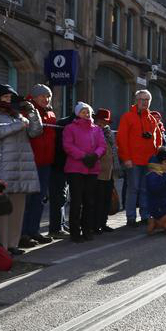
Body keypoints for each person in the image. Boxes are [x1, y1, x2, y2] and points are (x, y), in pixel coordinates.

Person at [0, 84, 43, 255]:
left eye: (10, 97)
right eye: (6, 97)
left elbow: (36, 131)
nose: (9, 100)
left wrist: (32, 112)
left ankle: (13, 244)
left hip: (22, 168)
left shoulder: (18, 116)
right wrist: (18, 126)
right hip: (4, 167)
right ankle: (1, 245)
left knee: (17, 208)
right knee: (2, 209)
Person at [117, 90, 163, 227]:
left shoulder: (152, 118)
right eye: (142, 99)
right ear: (136, 100)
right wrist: (126, 158)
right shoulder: (127, 117)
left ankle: (144, 216)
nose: (145, 102)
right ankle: (131, 218)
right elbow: (121, 139)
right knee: (133, 189)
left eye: (147, 99)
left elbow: (158, 138)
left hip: (149, 160)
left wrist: (157, 156)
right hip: (134, 160)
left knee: (145, 189)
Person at [62, 103, 106, 243]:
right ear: (77, 113)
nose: (86, 114)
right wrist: (83, 156)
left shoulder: (97, 129)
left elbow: (102, 145)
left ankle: (87, 229)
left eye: (88, 112)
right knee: (76, 201)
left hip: (92, 168)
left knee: (89, 200)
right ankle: (75, 232)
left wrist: (95, 155)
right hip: (76, 168)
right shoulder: (70, 128)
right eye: (83, 112)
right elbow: (68, 146)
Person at [19, 84, 56, 248]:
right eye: (42, 96)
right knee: (27, 200)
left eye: (48, 96)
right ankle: (23, 234)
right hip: (30, 161)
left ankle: (34, 230)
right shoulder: (25, 111)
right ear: (33, 97)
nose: (46, 99)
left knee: (39, 199)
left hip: (45, 162)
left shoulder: (50, 112)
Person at [48, 109, 76, 238]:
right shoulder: (66, 124)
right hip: (59, 165)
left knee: (63, 197)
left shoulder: (65, 122)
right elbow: (63, 147)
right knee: (58, 197)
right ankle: (56, 228)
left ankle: (60, 224)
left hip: (63, 164)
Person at [93, 109, 120, 233]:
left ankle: (103, 223)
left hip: (109, 171)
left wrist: (116, 167)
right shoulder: (93, 131)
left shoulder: (108, 132)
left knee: (106, 199)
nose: (102, 124)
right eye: (100, 122)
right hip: (97, 171)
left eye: (105, 122)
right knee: (97, 199)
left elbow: (114, 151)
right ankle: (95, 224)